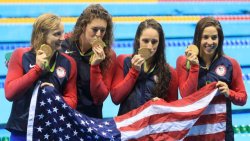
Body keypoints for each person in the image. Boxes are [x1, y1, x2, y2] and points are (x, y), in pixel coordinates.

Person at [4, 13, 77, 140]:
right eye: (56, 34)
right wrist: (36, 70)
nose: (62, 38)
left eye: (62, 33)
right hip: (22, 130)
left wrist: (55, 96)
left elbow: (72, 100)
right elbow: (10, 93)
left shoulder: (68, 62)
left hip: (52, 130)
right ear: (42, 34)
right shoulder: (21, 55)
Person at [176, 17, 247, 140]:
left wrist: (229, 93)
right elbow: (186, 95)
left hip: (222, 132)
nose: (210, 42)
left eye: (214, 37)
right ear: (198, 38)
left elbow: (243, 98)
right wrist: (194, 67)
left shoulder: (230, 64)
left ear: (220, 39)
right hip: (194, 132)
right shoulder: (183, 61)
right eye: (205, 37)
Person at [111, 19, 178, 116]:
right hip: (128, 126)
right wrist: (133, 72)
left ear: (160, 43)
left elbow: (173, 110)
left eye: (154, 42)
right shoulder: (123, 61)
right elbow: (116, 98)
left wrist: (163, 105)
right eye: (145, 41)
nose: (149, 46)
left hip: (153, 129)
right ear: (138, 39)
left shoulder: (170, 72)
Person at [61, 4, 116, 118]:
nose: (98, 35)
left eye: (103, 30)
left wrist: (95, 66)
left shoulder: (108, 55)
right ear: (83, 26)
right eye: (95, 29)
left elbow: (100, 98)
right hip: (63, 116)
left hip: (91, 119)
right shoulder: (63, 45)